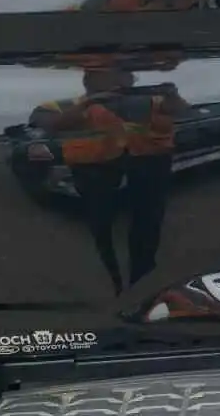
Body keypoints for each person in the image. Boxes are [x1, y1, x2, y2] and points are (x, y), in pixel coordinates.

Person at [29, 68, 189, 294]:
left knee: (149, 217)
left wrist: (172, 94)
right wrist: (88, 104)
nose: (122, 80)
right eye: (113, 75)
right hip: (94, 168)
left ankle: (143, 272)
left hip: (148, 163)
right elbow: (48, 124)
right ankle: (110, 274)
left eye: (126, 76)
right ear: (89, 80)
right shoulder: (61, 105)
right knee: (99, 219)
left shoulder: (151, 100)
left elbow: (181, 112)